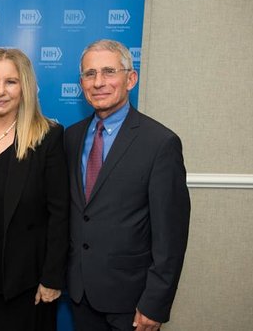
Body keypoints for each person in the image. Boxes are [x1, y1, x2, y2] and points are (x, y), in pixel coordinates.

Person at [65, 39, 190, 331]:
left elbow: (170, 236)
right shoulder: (70, 138)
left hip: (132, 301)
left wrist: (155, 303)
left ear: (130, 78)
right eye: (89, 74)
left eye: (109, 71)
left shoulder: (160, 143)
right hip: (80, 294)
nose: (98, 82)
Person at [0, 48, 69, 331]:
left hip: (30, 284)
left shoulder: (47, 137)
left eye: (11, 82)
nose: (0, 91)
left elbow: (60, 214)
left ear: (25, 87)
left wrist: (52, 278)